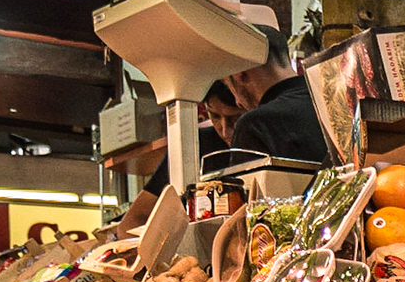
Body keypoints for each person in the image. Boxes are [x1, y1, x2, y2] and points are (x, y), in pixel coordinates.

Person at [116, 82, 241, 232]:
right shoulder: (196, 145)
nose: (225, 130)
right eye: (215, 116)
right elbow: (131, 222)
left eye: (234, 118)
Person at [226, 25, 327, 166]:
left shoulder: (255, 124)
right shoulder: (331, 101)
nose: (238, 102)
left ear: (238, 74)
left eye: (229, 86)